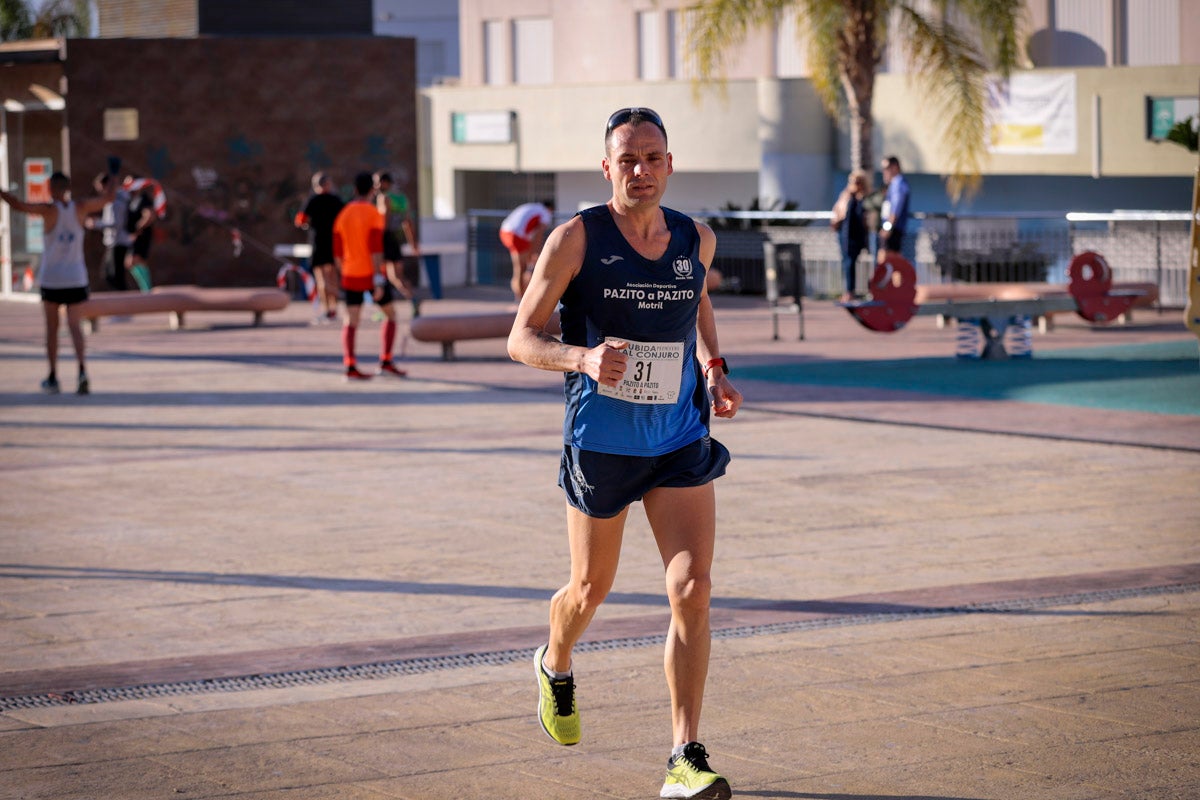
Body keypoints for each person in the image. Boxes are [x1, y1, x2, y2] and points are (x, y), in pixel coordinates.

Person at [507, 107, 741, 800]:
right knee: (589, 590)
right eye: (627, 159)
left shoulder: (696, 238)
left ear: (670, 164)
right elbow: (521, 338)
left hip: (678, 440)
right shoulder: (576, 238)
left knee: (692, 589)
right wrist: (582, 357)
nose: (641, 170)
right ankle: (555, 660)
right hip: (601, 444)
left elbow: (693, 302)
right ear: (606, 167)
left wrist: (713, 366)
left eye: (653, 157)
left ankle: (684, 756)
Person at [1, 171, 113, 394]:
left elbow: (18, 205)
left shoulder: (48, 209)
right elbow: (107, 199)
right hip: (76, 278)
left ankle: (53, 376)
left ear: (50, 188)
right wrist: (114, 177)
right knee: (75, 327)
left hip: (52, 279)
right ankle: (82, 371)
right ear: (68, 187)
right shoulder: (80, 207)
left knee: (52, 330)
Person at [333, 171, 407, 380]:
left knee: (351, 320)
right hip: (370, 274)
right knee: (391, 315)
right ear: (372, 190)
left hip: (349, 274)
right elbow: (376, 249)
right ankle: (385, 361)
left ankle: (350, 366)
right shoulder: (373, 213)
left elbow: (337, 251)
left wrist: (343, 273)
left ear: (355, 189)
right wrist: (377, 277)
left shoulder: (343, 214)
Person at [294, 171, 345, 324]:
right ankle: (333, 310)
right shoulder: (336, 200)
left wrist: (307, 224)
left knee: (321, 279)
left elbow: (300, 220)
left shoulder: (312, 200)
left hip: (317, 242)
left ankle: (326, 310)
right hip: (333, 242)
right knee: (332, 276)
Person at [373, 171, 422, 316]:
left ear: (385, 183)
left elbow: (383, 222)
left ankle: (385, 308)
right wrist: (413, 243)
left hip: (386, 240)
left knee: (383, 276)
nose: (375, 186)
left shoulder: (384, 198)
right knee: (396, 276)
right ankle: (412, 299)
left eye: (377, 182)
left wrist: (376, 241)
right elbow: (408, 223)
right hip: (396, 240)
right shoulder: (402, 198)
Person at [500, 200, 555, 301]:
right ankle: (521, 298)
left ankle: (519, 295)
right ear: (550, 209)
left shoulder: (532, 207)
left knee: (519, 268)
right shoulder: (545, 213)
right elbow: (538, 236)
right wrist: (535, 253)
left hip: (505, 232)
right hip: (516, 235)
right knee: (522, 268)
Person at [830, 170, 870, 302]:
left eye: (857, 182)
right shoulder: (847, 196)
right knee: (848, 263)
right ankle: (849, 291)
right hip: (846, 236)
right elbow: (839, 214)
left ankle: (852, 290)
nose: (854, 185)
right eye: (853, 182)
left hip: (856, 236)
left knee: (852, 262)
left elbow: (864, 219)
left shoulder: (863, 199)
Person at [91, 172, 133, 292]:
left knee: (114, 275)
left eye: (102, 188)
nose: (101, 192)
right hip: (114, 241)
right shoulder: (115, 199)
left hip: (118, 242)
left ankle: (125, 302)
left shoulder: (116, 201)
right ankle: (123, 301)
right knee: (110, 275)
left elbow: (116, 223)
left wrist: (96, 224)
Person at [125, 178, 157, 291]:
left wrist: (138, 228)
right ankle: (146, 290)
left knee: (134, 260)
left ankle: (147, 290)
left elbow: (149, 215)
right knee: (132, 262)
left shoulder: (143, 199)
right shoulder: (133, 200)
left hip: (141, 236)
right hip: (135, 236)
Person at [878, 155, 911, 261]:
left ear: (895, 167)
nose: (884, 172)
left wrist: (887, 227)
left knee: (889, 260)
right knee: (891, 261)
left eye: (886, 168)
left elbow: (896, 208)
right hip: (892, 228)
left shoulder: (898, 183)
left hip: (893, 230)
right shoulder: (893, 184)